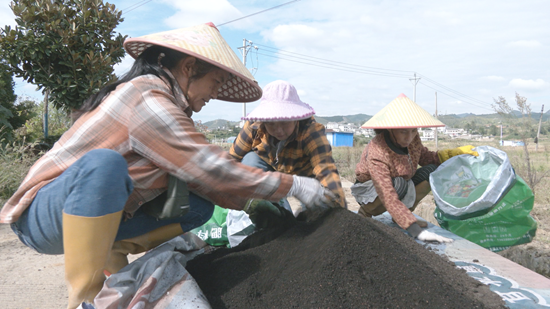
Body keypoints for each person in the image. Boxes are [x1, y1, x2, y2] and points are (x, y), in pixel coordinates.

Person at [0, 23, 334, 309]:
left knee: (198, 205)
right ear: (189, 67)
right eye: (215, 83)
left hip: (103, 220)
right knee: (104, 166)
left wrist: (250, 202)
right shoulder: (147, 96)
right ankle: (87, 299)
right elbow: (210, 166)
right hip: (43, 216)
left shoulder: (174, 109)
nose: (213, 96)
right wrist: (294, 186)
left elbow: (206, 183)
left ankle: (111, 257)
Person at [352, 93, 478, 243]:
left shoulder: (413, 140)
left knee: (432, 171)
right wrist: (415, 231)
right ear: (390, 129)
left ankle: (401, 216)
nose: (409, 137)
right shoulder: (378, 150)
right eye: (403, 131)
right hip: (371, 190)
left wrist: (454, 154)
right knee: (397, 184)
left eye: (413, 131)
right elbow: (385, 191)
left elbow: (427, 158)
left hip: (402, 183)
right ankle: (365, 213)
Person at [229, 80, 347, 218]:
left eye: (284, 123)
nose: (278, 130)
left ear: (295, 118)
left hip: (305, 177)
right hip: (268, 171)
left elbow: (326, 171)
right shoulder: (254, 127)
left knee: (318, 212)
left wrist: (338, 211)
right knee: (249, 160)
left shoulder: (311, 132)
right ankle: (276, 217)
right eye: (271, 124)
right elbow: (232, 160)